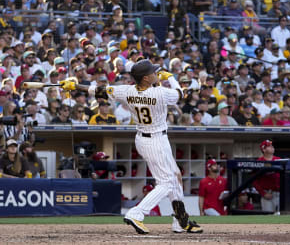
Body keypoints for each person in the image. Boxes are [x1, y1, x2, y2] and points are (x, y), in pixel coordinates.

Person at [59, 59, 202, 234]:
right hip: (155, 140)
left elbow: (98, 90)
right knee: (166, 182)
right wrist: (171, 77)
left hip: (146, 138)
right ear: (145, 78)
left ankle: (180, 220)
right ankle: (137, 213)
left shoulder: (126, 91)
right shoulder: (160, 93)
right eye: (153, 73)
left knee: (176, 176)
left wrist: (74, 86)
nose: (156, 73)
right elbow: (181, 93)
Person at [253, 139, 280, 212]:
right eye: (269, 146)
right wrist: (263, 193)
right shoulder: (259, 162)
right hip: (267, 194)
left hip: (279, 193)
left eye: (272, 145)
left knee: (281, 216)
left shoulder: (279, 160)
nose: (272, 147)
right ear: (264, 149)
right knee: (268, 217)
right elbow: (254, 180)